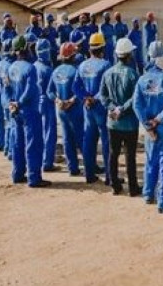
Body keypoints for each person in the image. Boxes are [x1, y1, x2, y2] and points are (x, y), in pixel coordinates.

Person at [133, 42, 163, 212]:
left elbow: (137, 105)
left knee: (151, 161)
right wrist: (159, 120)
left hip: (149, 130)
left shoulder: (142, 79)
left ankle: (147, 194)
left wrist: (147, 124)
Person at [7, 35, 51, 188]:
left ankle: (17, 174)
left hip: (15, 111)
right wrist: (19, 103)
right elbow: (30, 89)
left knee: (17, 143)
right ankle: (34, 178)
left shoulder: (11, 67)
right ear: (25, 48)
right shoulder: (30, 68)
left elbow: (7, 88)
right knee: (33, 144)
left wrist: (11, 103)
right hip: (29, 110)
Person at [99, 38, 140, 196]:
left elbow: (103, 96)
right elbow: (135, 97)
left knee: (113, 153)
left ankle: (115, 185)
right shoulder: (132, 74)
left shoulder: (108, 73)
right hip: (129, 122)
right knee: (130, 156)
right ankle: (133, 187)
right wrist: (122, 109)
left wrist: (113, 108)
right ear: (129, 55)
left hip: (113, 122)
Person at [74, 32, 113, 185]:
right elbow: (106, 88)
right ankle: (110, 176)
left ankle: (89, 175)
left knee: (89, 140)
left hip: (88, 108)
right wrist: (94, 98)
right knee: (105, 140)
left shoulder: (82, 65)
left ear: (90, 49)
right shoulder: (105, 65)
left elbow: (76, 86)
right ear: (102, 48)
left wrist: (85, 98)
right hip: (100, 107)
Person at [47, 43, 84, 177]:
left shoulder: (55, 71)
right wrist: (71, 101)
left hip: (61, 111)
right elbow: (80, 91)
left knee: (67, 139)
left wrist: (58, 100)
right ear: (73, 56)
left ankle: (72, 168)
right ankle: (90, 168)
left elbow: (49, 91)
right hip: (74, 110)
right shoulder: (76, 71)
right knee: (81, 139)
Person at [34, 39, 58, 172]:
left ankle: (40, 159)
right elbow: (52, 90)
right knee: (49, 132)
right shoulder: (48, 70)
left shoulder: (34, 66)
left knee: (39, 132)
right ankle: (47, 162)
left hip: (35, 102)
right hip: (47, 102)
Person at [0, 39, 16, 158]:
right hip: (11, 100)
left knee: (7, 124)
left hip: (3, 98)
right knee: (12, 125)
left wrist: (1, 94)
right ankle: (11, 151)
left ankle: (6, 148)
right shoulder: (11, 66)